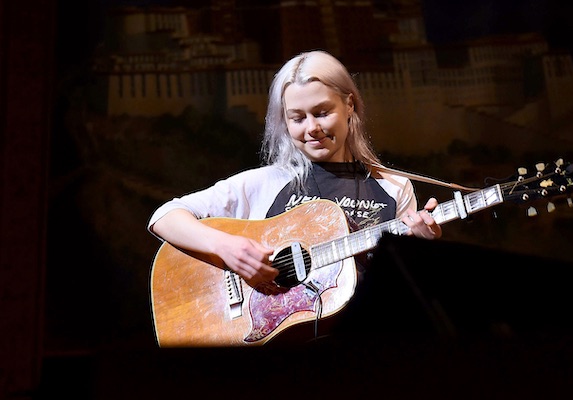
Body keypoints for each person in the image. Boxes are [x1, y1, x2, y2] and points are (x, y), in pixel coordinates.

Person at [148, 50, 442, 298]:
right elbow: (165, 217)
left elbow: (404, 290)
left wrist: (421, 252)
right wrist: (226, 247)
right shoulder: (267, 182)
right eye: (298, 118)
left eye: (322, 112)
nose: (311, 127)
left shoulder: (393, 188)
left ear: (349, 105)